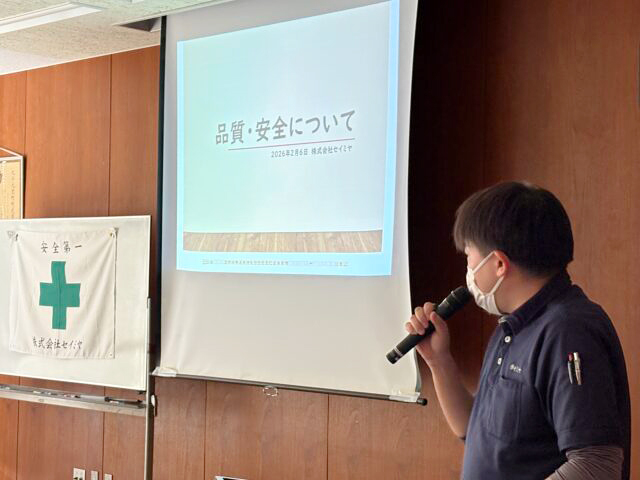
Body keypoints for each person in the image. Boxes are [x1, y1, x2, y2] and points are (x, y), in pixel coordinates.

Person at [406, 182, 630, 480]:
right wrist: (439, 361)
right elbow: (473, 430)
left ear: (499, 263)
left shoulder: (568, 330)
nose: (468, 268)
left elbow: (596, 465)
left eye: (469, 256)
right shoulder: (512, 327)